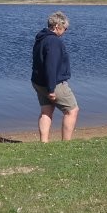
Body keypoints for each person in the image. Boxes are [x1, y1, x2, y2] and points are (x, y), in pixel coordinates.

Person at [31, 11, 79, 142]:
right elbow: (51, 66)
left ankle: (44, 143)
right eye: (65, 28)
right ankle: (66, 144)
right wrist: (51, 89)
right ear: (57, 26)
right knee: (72, 110)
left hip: (38, 82)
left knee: (46, 111)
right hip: (53, 83)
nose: (65, 31)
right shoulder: (53, 42)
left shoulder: (41, 38)